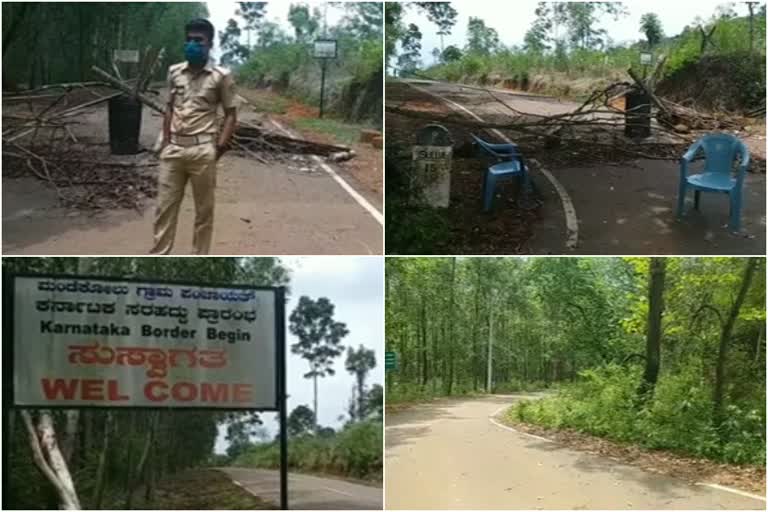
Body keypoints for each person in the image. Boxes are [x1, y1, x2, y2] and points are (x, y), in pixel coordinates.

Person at [151, 18, 237, 255]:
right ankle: (160, 255)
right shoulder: (174, 72)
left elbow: (231, 114)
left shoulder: (221, 76)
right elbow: (169, 107)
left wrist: (219, 148)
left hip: (203, 151)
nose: (192, 45)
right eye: (189, 40)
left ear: (210, 43)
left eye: (198, 41)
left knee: (203, 213)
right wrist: (166, 140)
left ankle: (199, 256)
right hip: (174, 151)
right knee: (164, 210)